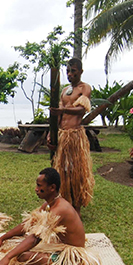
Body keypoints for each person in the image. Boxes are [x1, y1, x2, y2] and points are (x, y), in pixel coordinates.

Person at [0, 167, 100, 265]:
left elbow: (35, 238)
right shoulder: (49, 205)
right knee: (16, 246)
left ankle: (60, 264)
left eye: (39, 186)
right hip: (60, 247)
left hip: (73, 255)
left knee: (23, 257)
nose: (36, 189)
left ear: (52, 188)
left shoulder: (60, 209)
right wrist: (2, 238)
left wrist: (7, 257)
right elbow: (28, 224)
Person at [50, 57, 95, 211]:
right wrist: (52, 133)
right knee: (61, 170)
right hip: (62, 134)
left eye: (73, 71)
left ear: (81, 71)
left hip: (75, 136)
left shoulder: (85, 88)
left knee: (75, 171)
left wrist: (62, 110)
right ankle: (62, 202)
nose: (70, 74)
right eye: (68, 71)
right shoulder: (64, 91)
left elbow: (82, 109)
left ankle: (76, 206)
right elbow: (59, 116)